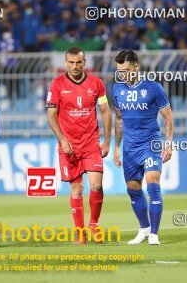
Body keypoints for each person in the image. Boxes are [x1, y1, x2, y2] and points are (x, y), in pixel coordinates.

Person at [46, 46, 112, 244]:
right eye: (71, 62)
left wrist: (107, 140)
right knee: (76, 190)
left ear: (85, 63)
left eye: (78, 62)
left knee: (97, 185)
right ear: (66, 63)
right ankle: (79, 232)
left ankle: (94, 224)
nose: (75, 66)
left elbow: (106, 112)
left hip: (91, 143)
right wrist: (63, 139)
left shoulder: (96, 84)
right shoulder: (57, 84)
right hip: (69, 146)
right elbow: (51, 115)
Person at [112, 50, 174, 246]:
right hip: (129, 148)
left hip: (150, 144)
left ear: (136, 67)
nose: (122, 74)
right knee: (133, 189)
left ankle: (154, 234)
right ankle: (144, 229)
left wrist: (169, 143)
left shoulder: (153, 88)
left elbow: (168, 117)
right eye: (119, 71)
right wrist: (116, 147)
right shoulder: (117, 89)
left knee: (152, 184)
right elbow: (119, 119)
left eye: (126, 70)